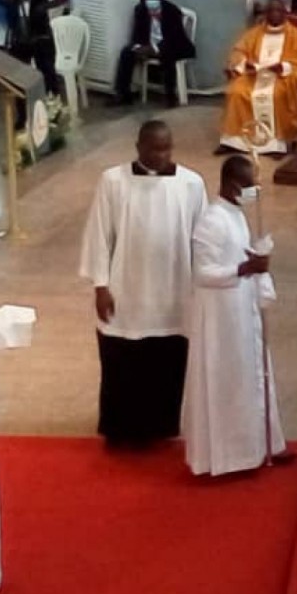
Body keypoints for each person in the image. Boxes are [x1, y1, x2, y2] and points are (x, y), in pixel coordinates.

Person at [79, 121, 205, 449]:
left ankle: (161, 426)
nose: (160, 155)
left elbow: (201, 239)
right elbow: (99, 234)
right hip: (127, 287)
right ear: (139, 147)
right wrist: (100, 285)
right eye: (153, 149)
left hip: (173, 289)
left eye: (166, 149)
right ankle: (120, 430)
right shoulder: (113, 181)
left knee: (167, 359)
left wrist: (203, 286)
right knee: (122, 357)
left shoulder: (191, 184)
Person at [182, 156, 288, 476]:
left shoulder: (236, 215)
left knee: (250, 374)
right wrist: (245, 268)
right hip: (221, 318)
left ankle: (258, 447)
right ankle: (229, 457)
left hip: (241, 309)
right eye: (250, 186)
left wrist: (256, 262)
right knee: (227, 381)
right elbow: (202, 272)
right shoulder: (212, 221)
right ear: (231, 186)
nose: (255, 192)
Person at [217, 0, 297, 156]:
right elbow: (239, 51)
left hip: (282, 77)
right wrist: (242, 64)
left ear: (285, 14)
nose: (275, 14)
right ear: (266, 14)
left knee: (277, 94)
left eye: (278, 11)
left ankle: (276, 145)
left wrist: (283, 67)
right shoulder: (254, 33)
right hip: (255, 75)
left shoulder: (295, 36)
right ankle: (233, 142)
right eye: (271, 11)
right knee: (236, 91)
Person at [112, 0, 196, 107]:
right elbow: (136, 35)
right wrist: (139, 47)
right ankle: (123, 94)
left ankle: (170, 97)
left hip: (173, 45)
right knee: (126, 52)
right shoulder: (140, 10)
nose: (151, 2)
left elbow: (175, 38)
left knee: (168, 53)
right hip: (149, 46)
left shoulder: (172, 11)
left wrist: (156, 48)